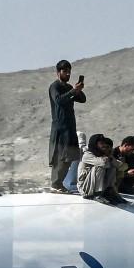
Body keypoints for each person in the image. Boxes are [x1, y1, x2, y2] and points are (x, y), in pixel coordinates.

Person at [47, 61, 86, 193]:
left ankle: (59, 184)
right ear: (58, 72)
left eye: (69, 71)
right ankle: (55, 184)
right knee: (60, 156)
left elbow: (82, 99)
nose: (68, 74)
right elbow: (59, 101)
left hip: (70, 126)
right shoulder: (54, 86)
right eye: (65, 71)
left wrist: (77, 90)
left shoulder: (68, 87)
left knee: (69, 156)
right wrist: (73, 91)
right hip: (60, 127)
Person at [77, 134, 125, 206]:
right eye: (101, 143)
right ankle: (97, 194)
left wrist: (110, 156)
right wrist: (107, 155)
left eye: (104, 143)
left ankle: (109, 190)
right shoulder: (87, 154)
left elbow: (119, 165)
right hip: (85, 188)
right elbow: (103, 163)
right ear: (95, 144)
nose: (104, 146)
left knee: (112, 166)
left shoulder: (100, 154)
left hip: (94, 185)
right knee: (100, 166)